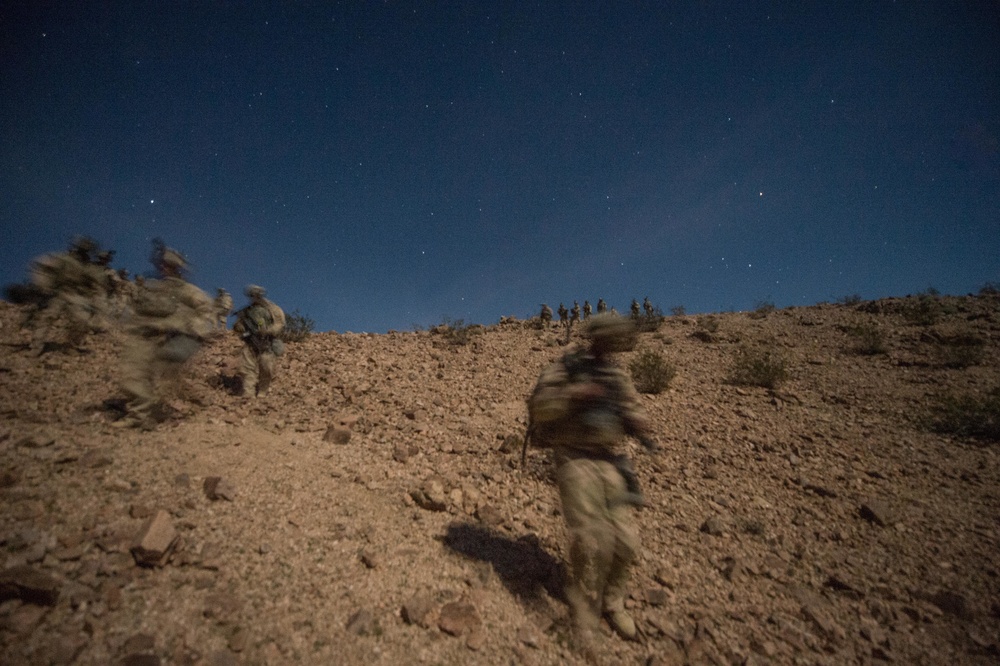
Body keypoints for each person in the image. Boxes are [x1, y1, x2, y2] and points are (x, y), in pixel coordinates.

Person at [527, 314, 657, 651]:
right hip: (573, 456)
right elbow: (541, 407)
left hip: (609, 458)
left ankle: (612, 603)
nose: (612, 348)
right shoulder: (567, 367)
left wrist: (639, 425)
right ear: (597, 338)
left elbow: (632, 407)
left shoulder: (616, 375)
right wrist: (576, 394)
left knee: (626, 539)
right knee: (590, 537)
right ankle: (585, 610)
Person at [117, 241, 215, 426]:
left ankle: (144, 416)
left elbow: (206, 312)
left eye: (170, 265)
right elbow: (138, 309)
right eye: (163, 264)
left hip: (169, 339)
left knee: (161, 379)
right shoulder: (152, 286)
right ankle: (141, 413)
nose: (164, 268)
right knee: (130, 376)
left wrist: (184, 327)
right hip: (144, 337)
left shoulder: (186, 291)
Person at [26, 236, 109, 351]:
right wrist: (43, 286)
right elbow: (41, 267)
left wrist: (94, 300)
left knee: (82, 320)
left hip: (74, 296)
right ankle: (35, 347)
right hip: (57, 293)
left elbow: (95, 285)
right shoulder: (63, 258)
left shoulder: (86, 266)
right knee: (47, 317)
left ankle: (72, 346)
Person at [232, 285, 285, 398]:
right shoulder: (247, 311)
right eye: (252, 295)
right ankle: (248, 392)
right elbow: (238, 325)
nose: (254, 297)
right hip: (251, 342)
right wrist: (240, 327)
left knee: (266, 367)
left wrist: (268, 331)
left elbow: (280, 324)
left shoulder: (273, 309)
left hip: (267, 342)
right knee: (247, 367)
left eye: (257, 294)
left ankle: (262, 390)